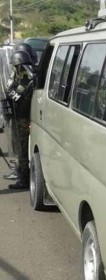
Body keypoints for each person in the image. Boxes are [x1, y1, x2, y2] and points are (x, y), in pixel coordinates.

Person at [4, 46, 36, 189]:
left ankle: (23, 179)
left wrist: (10, 89)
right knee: (21, 149)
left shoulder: (25, 80)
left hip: (23, 119)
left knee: (22, 150)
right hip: (23, 117)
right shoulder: (28, 77)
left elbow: (15, 95)